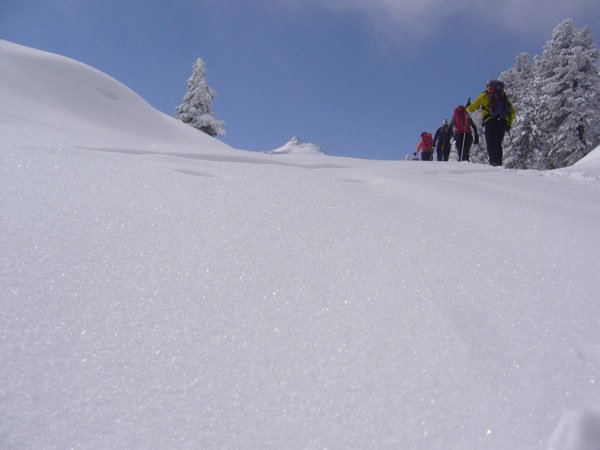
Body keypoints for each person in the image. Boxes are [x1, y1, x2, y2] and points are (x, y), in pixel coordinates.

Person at [467, 80, 516, 166]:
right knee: (498, 144)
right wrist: (509, 124)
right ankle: (499, 164)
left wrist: (467, 107)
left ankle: (493, 163)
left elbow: (473, 107)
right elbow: (512, 111)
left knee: (491, 143)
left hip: (490, 120)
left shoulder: (485, 95)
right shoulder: (503, 96)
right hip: (502, 121)